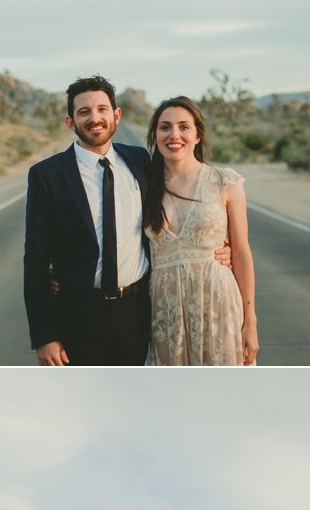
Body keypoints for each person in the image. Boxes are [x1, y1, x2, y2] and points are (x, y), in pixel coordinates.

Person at [23, 76, 233, 367]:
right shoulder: (47, 175)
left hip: (136, 310)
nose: (94, 118)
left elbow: (185, 208)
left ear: (116, 115)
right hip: (78, 313)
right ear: (70, 122)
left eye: (101, 109)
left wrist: (220, 246)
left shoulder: (139, 162)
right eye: (84, 112)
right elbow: (35, 260)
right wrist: (44, 336)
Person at [145, 99, 258, 366]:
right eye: (165, 127)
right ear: (155, 135)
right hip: (164, 307)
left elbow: (241, 252)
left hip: (218, 301)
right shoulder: (142, 183)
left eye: (184, 127)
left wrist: (250, 321)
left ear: (197, 135)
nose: (174, 135)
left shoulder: (225, 182)